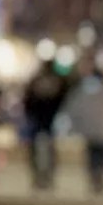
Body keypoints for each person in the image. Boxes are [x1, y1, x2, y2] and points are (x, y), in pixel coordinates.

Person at [69, 68, 103, 197]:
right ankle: (97, 180)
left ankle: (98, 180)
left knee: (98, 156)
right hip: (97, 131)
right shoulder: (101, 92)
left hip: (98, 131)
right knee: (97, 156)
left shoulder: (98, 92)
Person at [20, 59, 70, 191]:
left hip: (40, 119)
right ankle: (46, 176)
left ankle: (40, 176)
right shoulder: (55, 81)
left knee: (38, 150)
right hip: (47, 119)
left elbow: (27, 99)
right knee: (48, 149)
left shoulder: (38, 80)